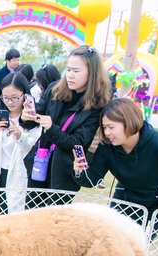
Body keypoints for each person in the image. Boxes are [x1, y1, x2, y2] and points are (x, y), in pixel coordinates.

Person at [73, 98, 158, 232]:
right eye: (104, 127)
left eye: (111, 127)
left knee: (139, 246)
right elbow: (91, 180)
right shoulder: (107, 146)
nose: (107, 132)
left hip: (155, 204)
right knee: (111, 240)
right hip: (123, 199)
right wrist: (79, 170)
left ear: (129, 122)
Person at [22, 45, 112, 203]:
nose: (70, 75)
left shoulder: (98, 105)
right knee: (32, 215)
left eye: (76, 71)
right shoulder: (54, 89)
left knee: (55, 221)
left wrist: (51, 128)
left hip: (64, 172)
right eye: (68, 69)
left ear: (92, 73)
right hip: (40, 161)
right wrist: (26, 117)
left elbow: (77, 143)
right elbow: (35, 119)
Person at [0, 73, 41, 214]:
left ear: (25, 94)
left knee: (9, 210)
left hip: (16, 170)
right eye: (6, 98)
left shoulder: (32, 115)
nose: (10, 102)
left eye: (15, 97)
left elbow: (30, 149)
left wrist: (19, 135)